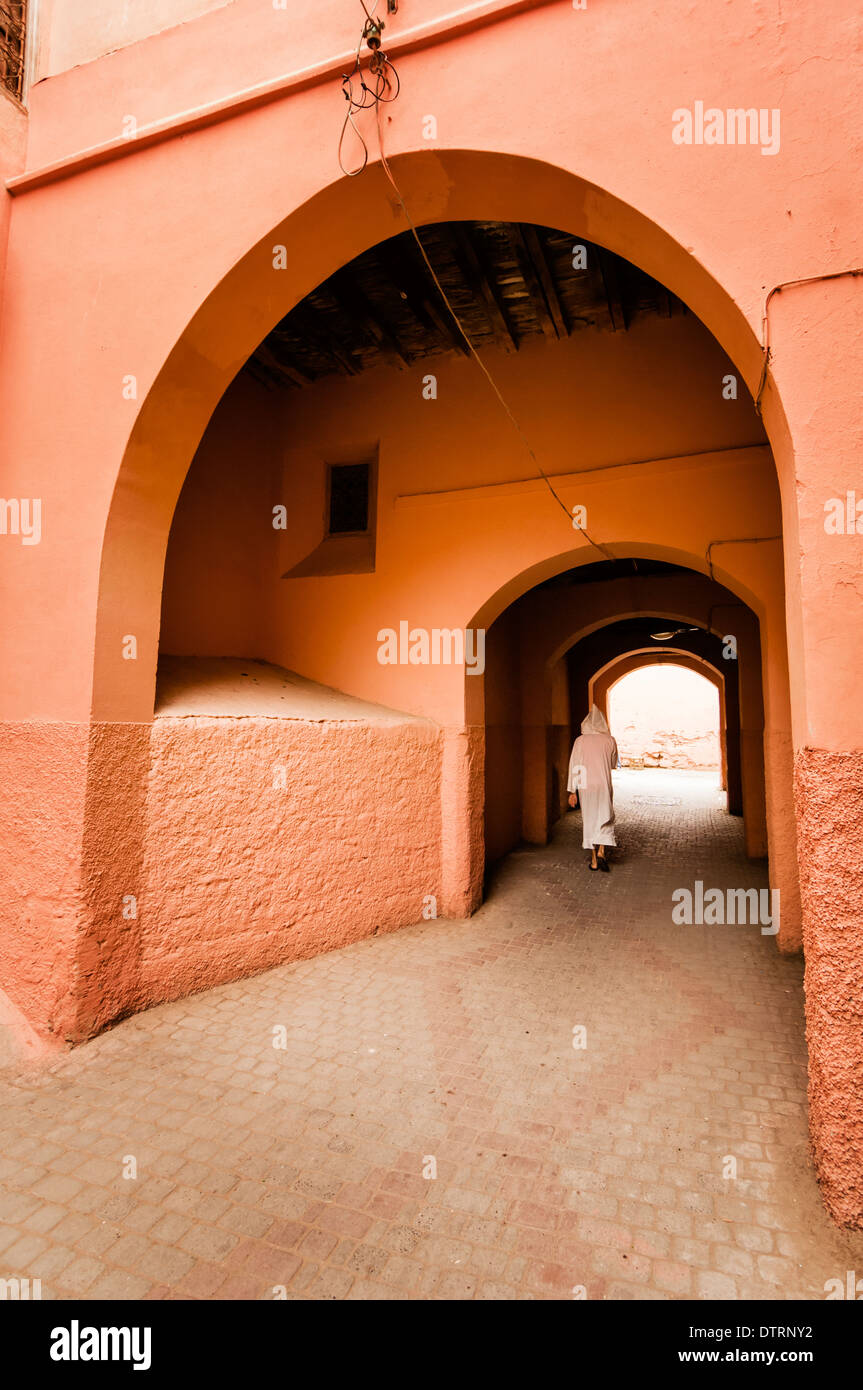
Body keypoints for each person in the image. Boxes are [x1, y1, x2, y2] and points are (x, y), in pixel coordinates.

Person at [567, 704, 620, 872]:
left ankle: (594, 860)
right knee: (605, 817)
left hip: (585, 786)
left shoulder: (580, 741)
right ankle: (602, 851)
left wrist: (572, 791)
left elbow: (575, 766)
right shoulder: (610, 740)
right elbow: (613, 764)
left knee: (589, 820)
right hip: (603, 784)